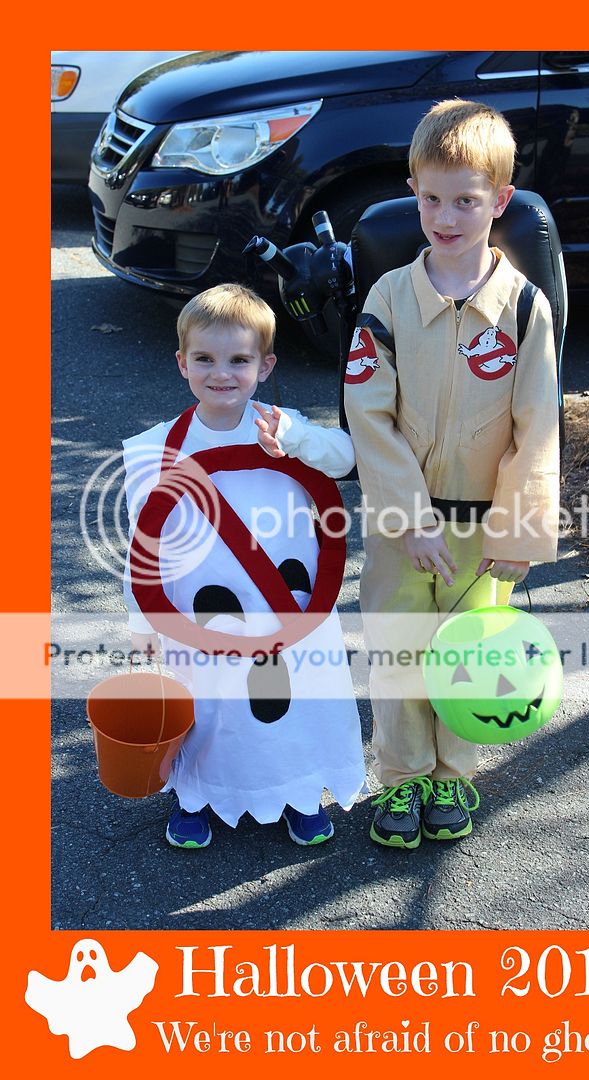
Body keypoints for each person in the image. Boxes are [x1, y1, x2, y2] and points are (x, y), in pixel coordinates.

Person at [344, 98, 560, 849]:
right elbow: (368, 414)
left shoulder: (525, 308)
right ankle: (403, 778)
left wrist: (519, 534)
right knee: (400, 651)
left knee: (469, 658)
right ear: (413, 190)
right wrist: (409, 518)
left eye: (466, 200)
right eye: (431, 198)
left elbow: (537, 427)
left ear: (500, 200)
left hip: (482, 532)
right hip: (402, 529)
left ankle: (452, 775)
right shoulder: (388, 298)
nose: (446, 216)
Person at [122, 283, 365, 849]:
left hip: (288, 604)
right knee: (209, 703)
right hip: (200, 611)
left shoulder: (284, 427)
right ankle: (195, 794)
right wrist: (142, 622)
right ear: (182, 363)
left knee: (298, 698)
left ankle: (300, 792)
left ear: (265, 365)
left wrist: (296, 438)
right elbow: (143, 545)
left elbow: (345, 459)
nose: (221, 373)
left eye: (238, 360)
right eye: (205, 359)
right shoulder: (153, 449)